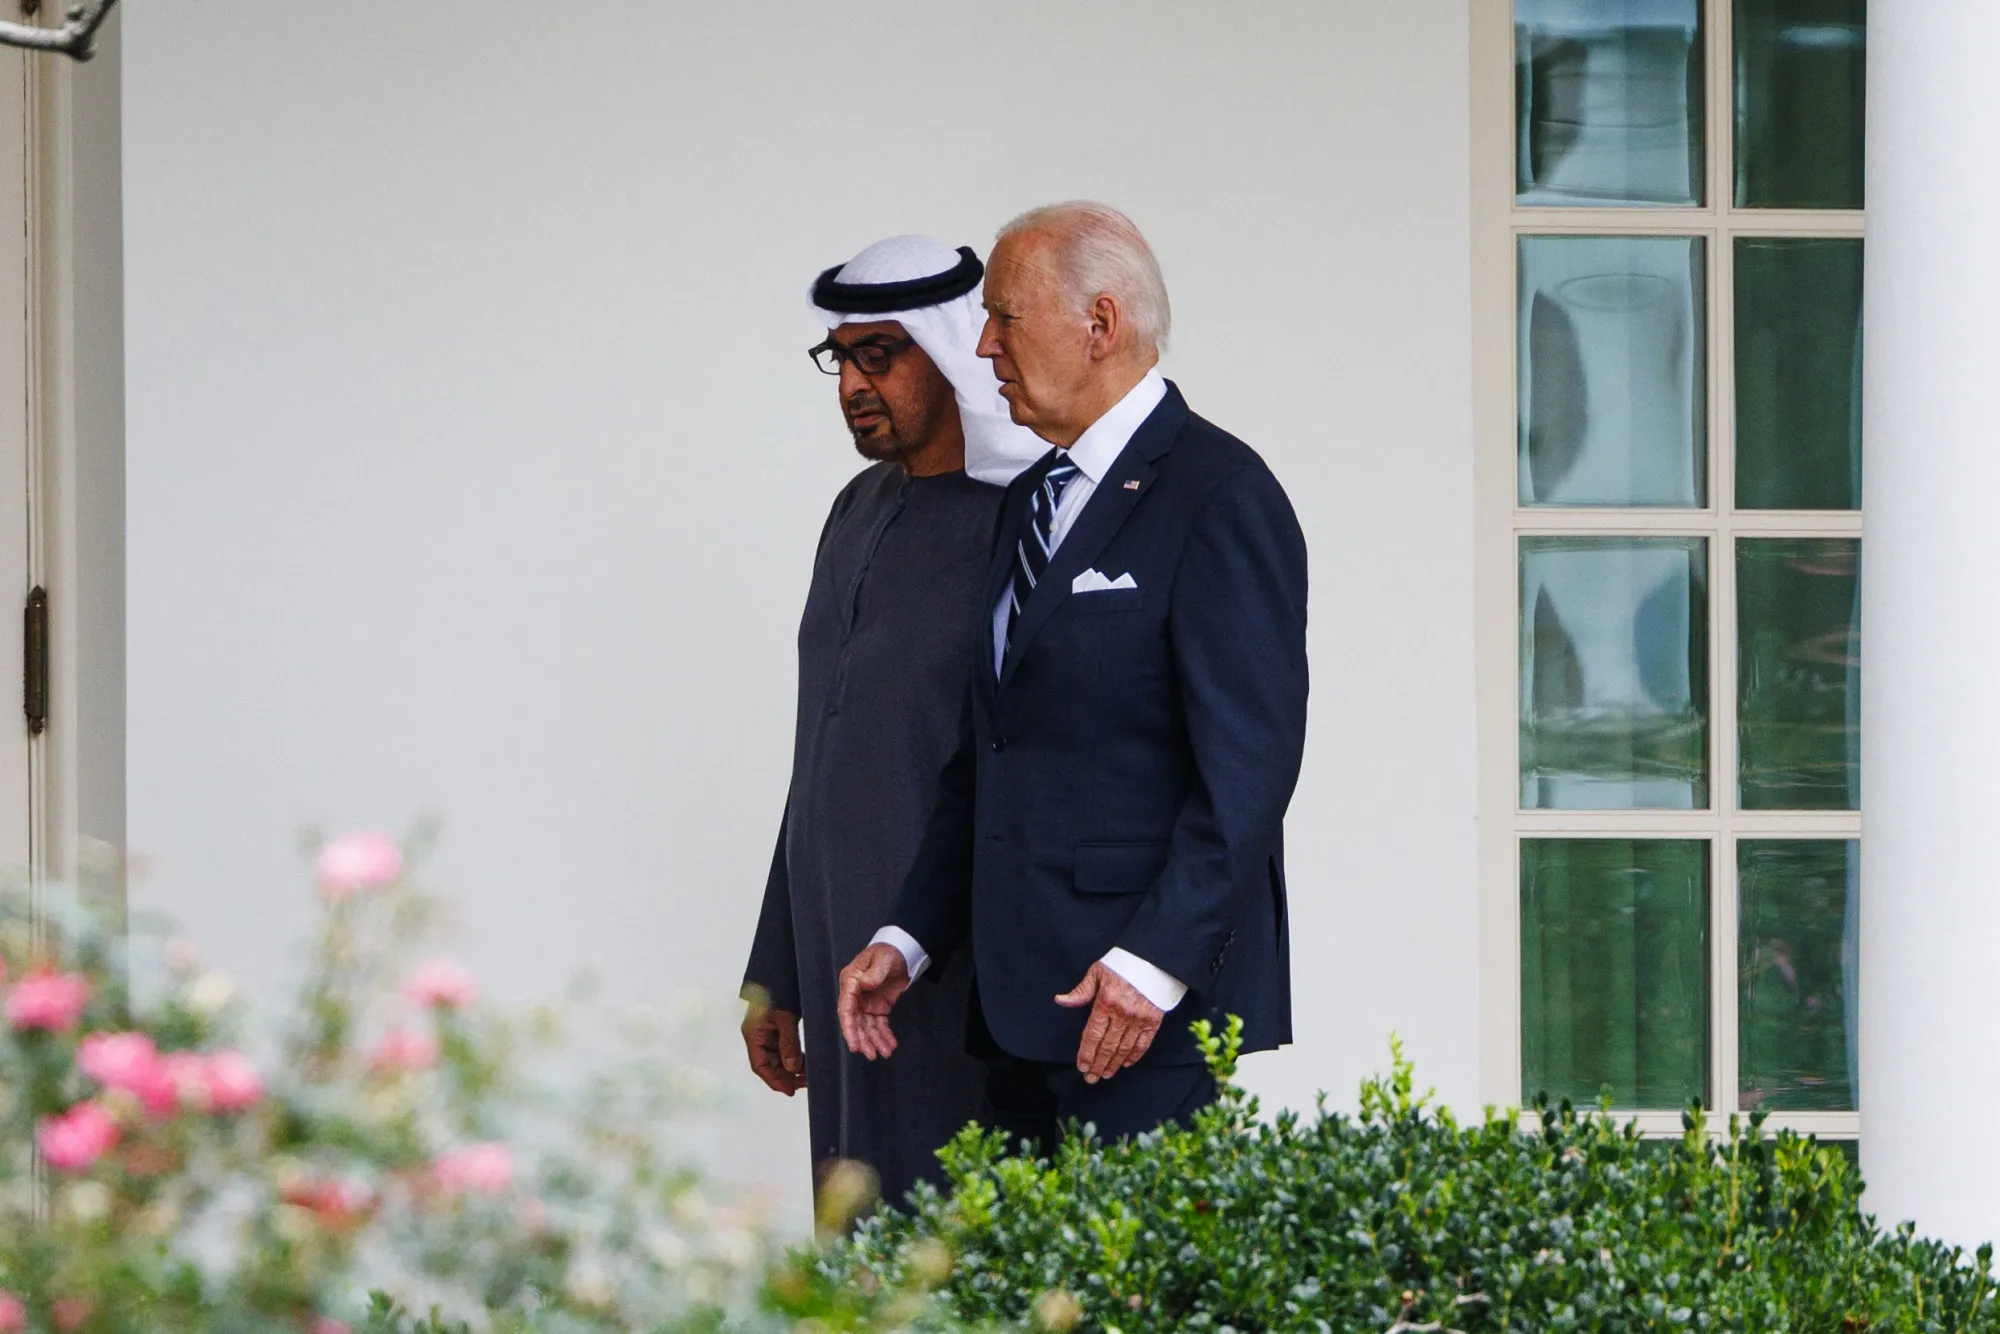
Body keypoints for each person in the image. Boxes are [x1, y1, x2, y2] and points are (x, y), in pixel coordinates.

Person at [835, 202, 1309, 1150]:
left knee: (1135, 1304)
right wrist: (906, 939)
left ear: (1100, 324)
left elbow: (1249, 771)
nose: (983, 346)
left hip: (1140, 1019)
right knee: (1025, 1303)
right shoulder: (1027, 504)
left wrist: (1154, 965)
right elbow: (990, 756)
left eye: (1005, 317)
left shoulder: (1219, 493)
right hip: (1016, 1009)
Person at [740, 234, 1044, 1207]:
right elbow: (819, 752)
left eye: (882, 355)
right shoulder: (854, 510)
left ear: (949, 351)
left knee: (955, 1239)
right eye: (842, 357)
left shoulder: (1027, 520)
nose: (853, 384)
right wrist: (773, 968)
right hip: (837, 955)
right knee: (856, 1235)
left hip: (958, 967)